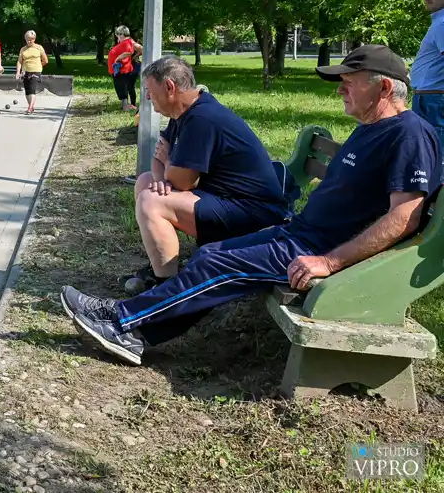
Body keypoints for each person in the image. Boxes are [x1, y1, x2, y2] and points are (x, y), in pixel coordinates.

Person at [59, 45, 440, 366]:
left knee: (218, 265)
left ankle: (125, 321)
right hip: (300, 235)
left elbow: (404, 217)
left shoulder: (408, 135)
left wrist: (329, 262)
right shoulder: (372, 128)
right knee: (210, 256)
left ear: (385, 87)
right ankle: (133, 328)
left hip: (315, 249)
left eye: (348, 84)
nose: (340, 91)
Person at [120, 55, 290, 294]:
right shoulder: (185, 113)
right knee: (146, 182)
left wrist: (168, 165)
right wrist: (162, 178)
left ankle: (166, 290)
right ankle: (162, 269)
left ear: (169, 87)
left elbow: (181, 180)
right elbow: (158, 159)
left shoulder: (202, 118)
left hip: (255, 215)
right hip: (226, 200)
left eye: (150, 91)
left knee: (151, 201)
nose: (148, 97)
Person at [411, 0, 444, 168]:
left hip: (434, 100)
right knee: (428, 152)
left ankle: (436, 196)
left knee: (435, 154)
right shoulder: (438, 22)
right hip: (428, 98)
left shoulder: (442, 24)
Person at [108, 26, 143, 112]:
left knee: (126, 87)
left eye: (118, 34)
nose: (117, 36)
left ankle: (129, 106)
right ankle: (127, 105)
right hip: (123, 68)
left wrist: (132, 56)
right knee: (123, 87)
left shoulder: (130, 42)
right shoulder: (124, 42)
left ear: (122, 34)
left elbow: (140, 49)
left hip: (128, 68)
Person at [14, 30, 49, 114]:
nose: (30, 41)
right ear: (25, 39)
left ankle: (29, 108)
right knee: (27, 91)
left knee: (32, 89)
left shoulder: (39, 47)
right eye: (28, 39)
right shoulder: (23, 49)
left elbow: (45, 60)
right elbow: (19, 61)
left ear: (34, 39)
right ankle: (31, 106)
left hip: (36, 71)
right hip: (26, 71)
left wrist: (39, 66)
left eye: (32, 39)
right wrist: (18, 72)